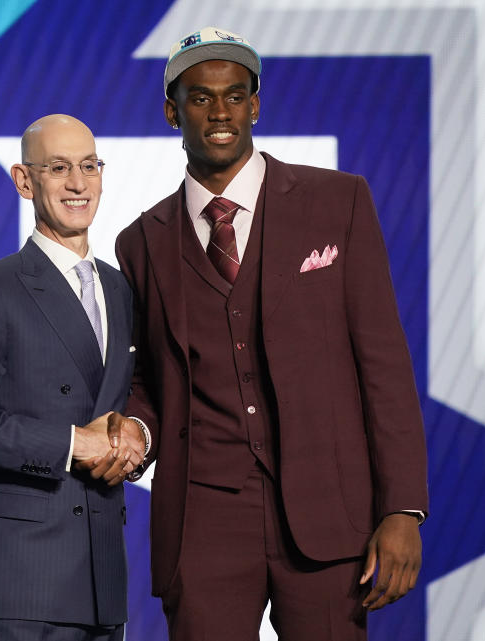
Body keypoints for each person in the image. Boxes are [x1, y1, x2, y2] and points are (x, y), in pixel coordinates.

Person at [113, 27, 429, 641]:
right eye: (200, 98)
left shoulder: (338, 202)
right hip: (202, 523)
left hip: (327, 518)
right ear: (171, 111)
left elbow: (384, 365)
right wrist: (133, 433)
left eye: (234, 95)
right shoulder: (142, 242)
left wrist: (402, 509)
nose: (220, 112)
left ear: (255, 105)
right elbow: (147, 379)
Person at [0, 114, 147, 641]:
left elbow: (136, 395)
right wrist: (75, 443)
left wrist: (137, 433)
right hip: (18, 577)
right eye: (58, 168)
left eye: (89, 166)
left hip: (101, 574)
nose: (78, 183)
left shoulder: (123, 291)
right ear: (24, 180)